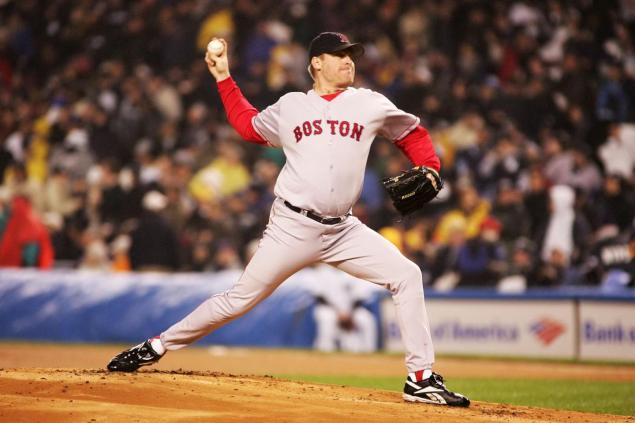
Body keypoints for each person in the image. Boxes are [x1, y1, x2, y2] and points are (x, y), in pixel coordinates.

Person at [106, 32, 469, 407]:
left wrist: (429, 165)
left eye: (351, 55)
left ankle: (420, 378)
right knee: (238, 300)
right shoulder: (292, 105)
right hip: (292, 226)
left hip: (343, 229)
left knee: (407, 275)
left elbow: (411, 133)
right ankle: (157, 345)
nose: (349, 60)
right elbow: (248, 126)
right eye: (339, 54)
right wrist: (224, 78)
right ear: (316, 63)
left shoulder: (369, 103)